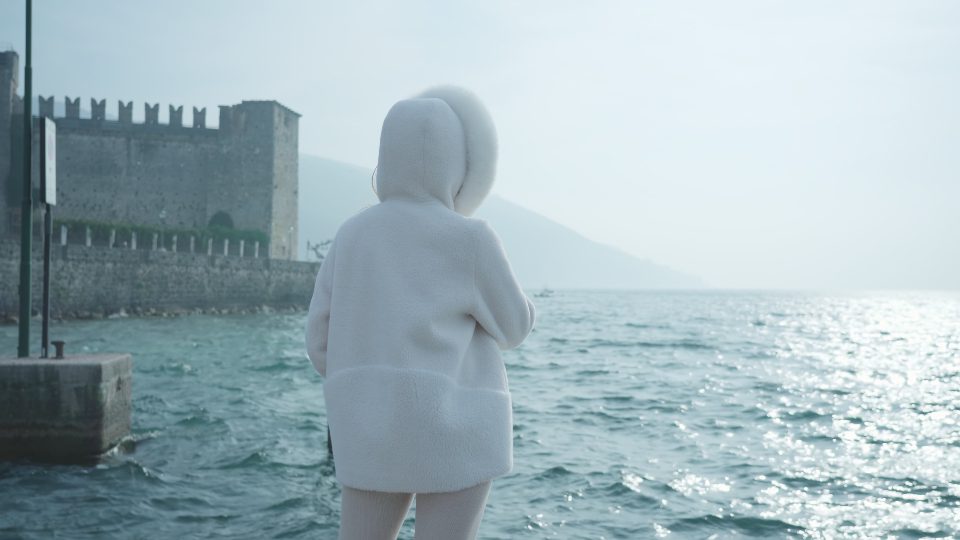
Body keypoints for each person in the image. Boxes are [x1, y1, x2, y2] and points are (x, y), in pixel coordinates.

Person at [305, 85, 537, 540]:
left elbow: (318, 340)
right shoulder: (471, 238)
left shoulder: (351, 235)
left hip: (369, 425)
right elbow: (514, 327)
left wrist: (365, 383)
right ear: (459, 165)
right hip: (459, 429)